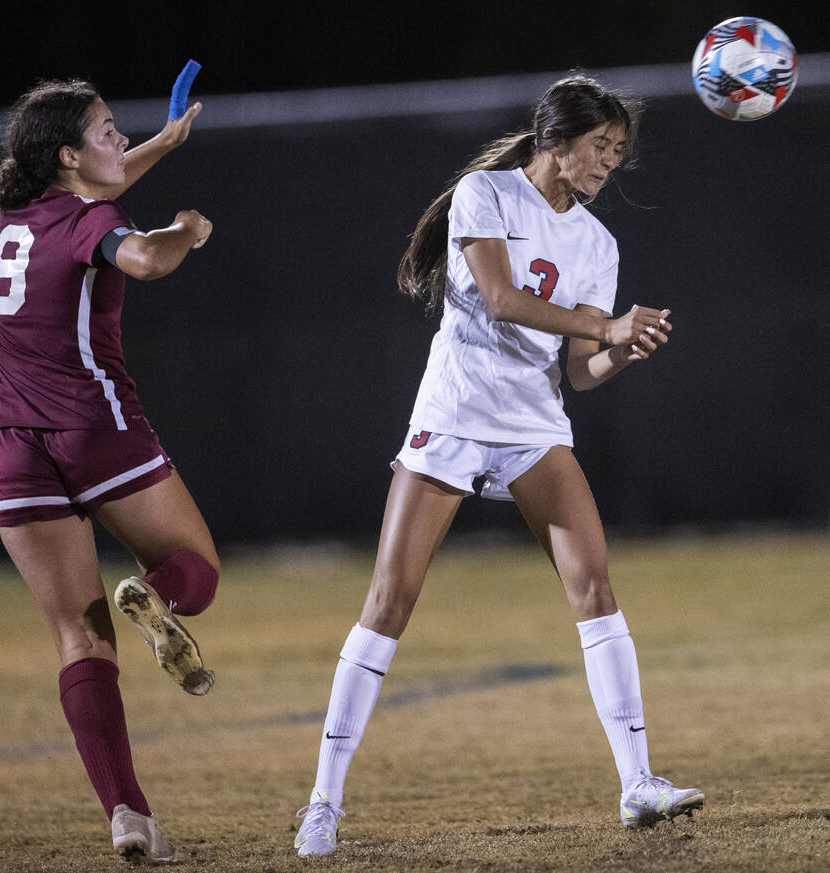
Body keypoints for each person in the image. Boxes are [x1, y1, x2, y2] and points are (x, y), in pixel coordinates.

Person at [293, 73, 703, 857]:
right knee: (388, 601)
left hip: (531, 425)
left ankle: (637, 782)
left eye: (617, 153)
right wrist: (604, 321)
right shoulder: (485, 193)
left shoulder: (598, 243)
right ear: (556, 138)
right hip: (452, 415)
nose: (607, 164)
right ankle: (323, 802)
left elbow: (578, 372)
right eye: (598, 147)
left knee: (595, 585)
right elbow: (501, 298)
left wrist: (620, 349)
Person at [0, 78, 219, 865]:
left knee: (80, 638)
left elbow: (88, 199)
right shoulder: (93, 218)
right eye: (110, 131)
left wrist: (160, 144)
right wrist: (185, 228)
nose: (121, 139)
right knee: (197, 571)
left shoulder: (20, 216)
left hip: (12, 440)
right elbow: (141, 256)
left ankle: (128, 815)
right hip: (94, 425)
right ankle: (158, 595)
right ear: (69, 155)